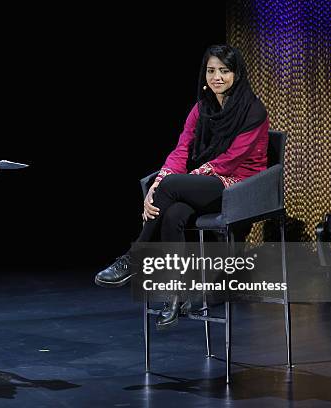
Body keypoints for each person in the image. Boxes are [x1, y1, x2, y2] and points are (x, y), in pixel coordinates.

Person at [94, 44, 269, 327]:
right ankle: (175, 294)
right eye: (211, 71)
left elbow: (231, 159)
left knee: (171, 186)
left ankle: (134, 258)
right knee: (173, 211)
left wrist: (171, 183)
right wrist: (158, 183)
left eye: (224, 71)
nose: (217, 77)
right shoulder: (202, 108)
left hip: (241, 186)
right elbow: (182, 149)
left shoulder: (253, 110)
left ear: (237, 74)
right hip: (209, 183)